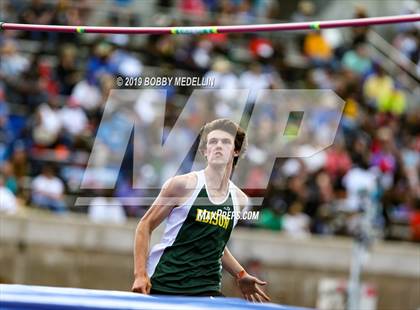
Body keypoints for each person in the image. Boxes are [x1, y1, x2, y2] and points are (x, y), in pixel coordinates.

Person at [131, 119, 270, 302]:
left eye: (226, 142)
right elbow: (145, 225)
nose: (218, 146)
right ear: (205, 151)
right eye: (213, 142)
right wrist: (140, 274)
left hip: (207, 288)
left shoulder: (240, 200)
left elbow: (216, 244)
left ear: (236, 151)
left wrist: (240, 274)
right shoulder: (183, 185)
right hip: (166, 283)